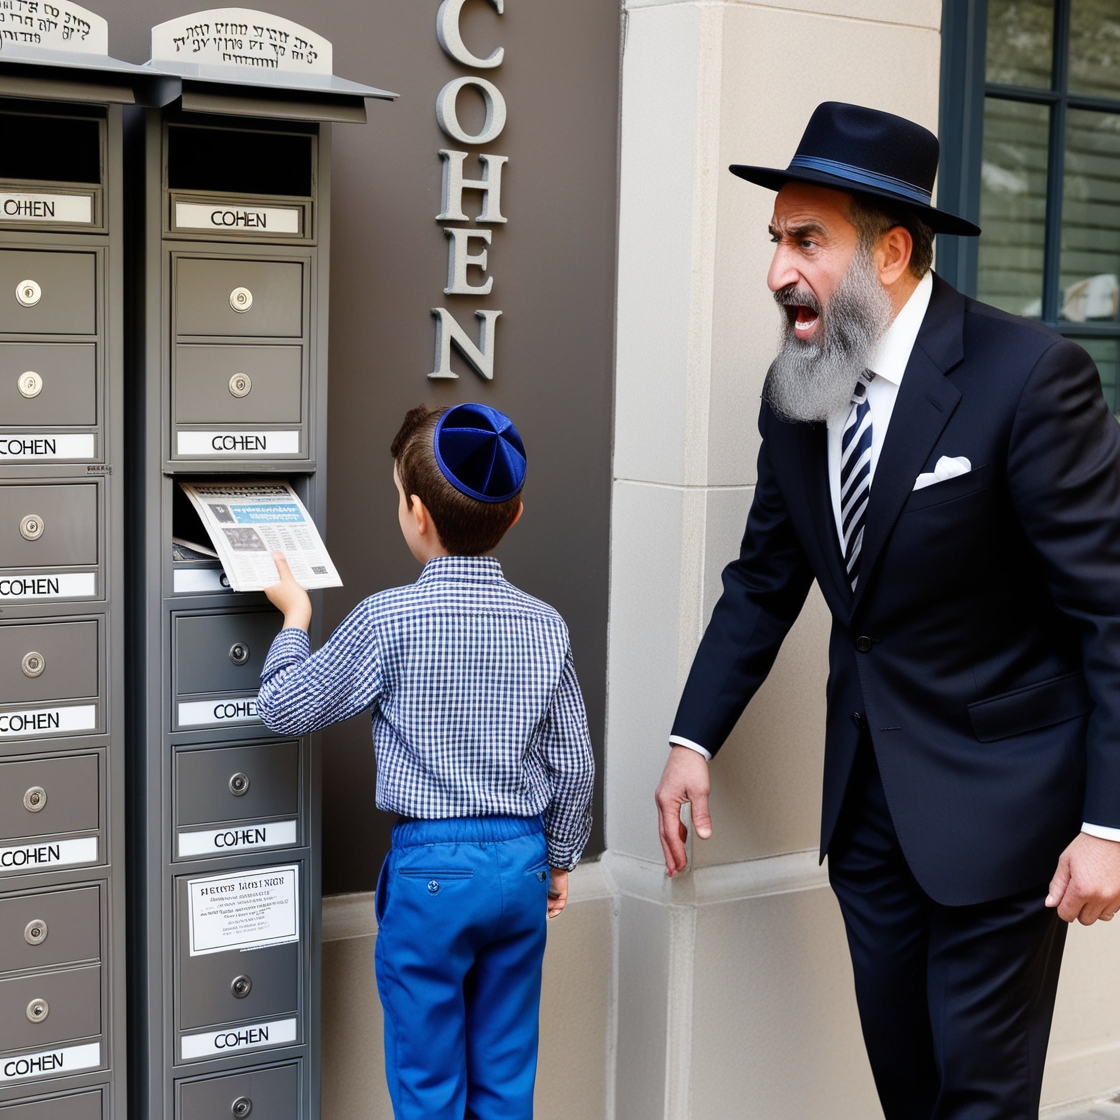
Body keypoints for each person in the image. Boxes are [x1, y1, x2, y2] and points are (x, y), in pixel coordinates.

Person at [654, 101, 1120, 1118]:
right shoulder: (795, 392)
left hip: (1009, 821)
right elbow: (763, 582)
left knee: (979, 1100)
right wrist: (693, 738)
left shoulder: (1031, 379)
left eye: (804, 240)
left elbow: (1109, 616)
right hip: (867, 822)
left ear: (895, 250)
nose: (776, 270)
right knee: (909, 1089)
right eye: (774, 238)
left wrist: (1109, 821)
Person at [257, 402, 595, 1120]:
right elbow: (576, 763)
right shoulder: (545, 625)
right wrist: (559, 859)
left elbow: (284, 707)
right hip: (523, 861)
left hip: (432, 874)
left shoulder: (388, 619)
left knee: (428, 1087)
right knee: (506, 1082)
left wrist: (294, 617)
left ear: (415, 513)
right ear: (515, 514)